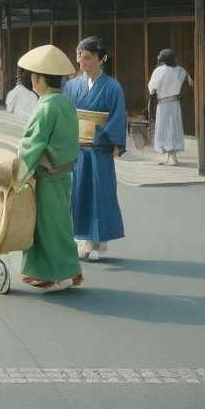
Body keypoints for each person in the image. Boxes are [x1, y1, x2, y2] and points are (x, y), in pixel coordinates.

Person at [13, 44, 86, 292]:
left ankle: (61, 273)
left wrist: (18, 173)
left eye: (35, 78)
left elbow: (32, 144)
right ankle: (49, 271)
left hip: (47, 174)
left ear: (39, 79)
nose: (33, 81)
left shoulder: (45, 106)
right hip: (63, 171)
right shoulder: (64, 102)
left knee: (47, 225)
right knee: (58, 222)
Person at [64, 36, 126, 262]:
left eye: (88, 57)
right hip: (77, 149)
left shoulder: (112, 87)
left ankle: (97, 240)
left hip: (100, 149)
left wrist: (115, 143)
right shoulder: (71, 86)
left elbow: (117, 117)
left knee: (100, 193)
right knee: (79, 192)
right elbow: (66, 116)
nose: (82, 61)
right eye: (79, 56)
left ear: (103, 59)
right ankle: (82, 239)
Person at [148, 49, 189, 166]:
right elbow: (189, 82)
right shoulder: (181, 70)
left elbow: (152, 88)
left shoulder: (159, 71)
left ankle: (170, 157)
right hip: (175, 103)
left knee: (165, 127)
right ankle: (173, 156)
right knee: (174, 127)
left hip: (163, 103)